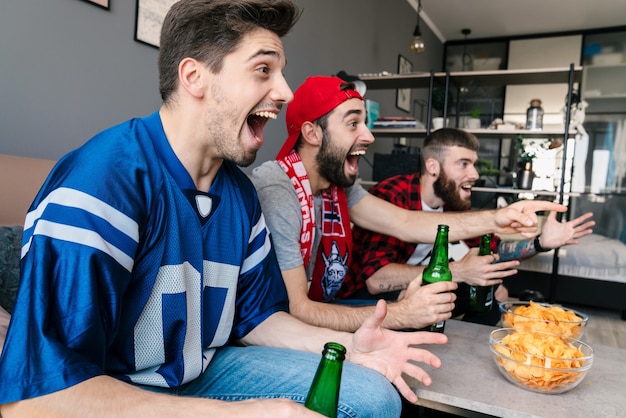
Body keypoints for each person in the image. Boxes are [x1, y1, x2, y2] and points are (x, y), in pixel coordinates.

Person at [0, 2, 453, 417]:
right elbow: (34, 398)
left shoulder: (239, 193)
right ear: (195, 77)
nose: (287, 92)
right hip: (114, 391)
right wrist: (240, 415)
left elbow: (259, 316)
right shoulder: (104, 179)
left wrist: (349, 346)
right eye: (263, 70)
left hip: (205, 371)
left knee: (373, 395)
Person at [251, 75, 568, 333]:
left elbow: (406, 222)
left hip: (323, 307)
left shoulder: (338, 188)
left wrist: (499, 218)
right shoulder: (279, 186)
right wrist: (403, 314)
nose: (369, 136)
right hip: (279, 322)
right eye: (353, 124)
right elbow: (299, 309)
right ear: (312, 133)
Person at [343, 128, 595, 325]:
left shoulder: (452, 200)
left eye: (473, 164)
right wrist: (458, 271)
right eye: (463, 164)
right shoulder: (393, 193)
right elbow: (376, 280)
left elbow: (493, 249)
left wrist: (541, 242)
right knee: (435, 292)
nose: (474, 174)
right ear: (433, 167)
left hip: (413, 288)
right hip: (362, 300)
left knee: (491, 292)